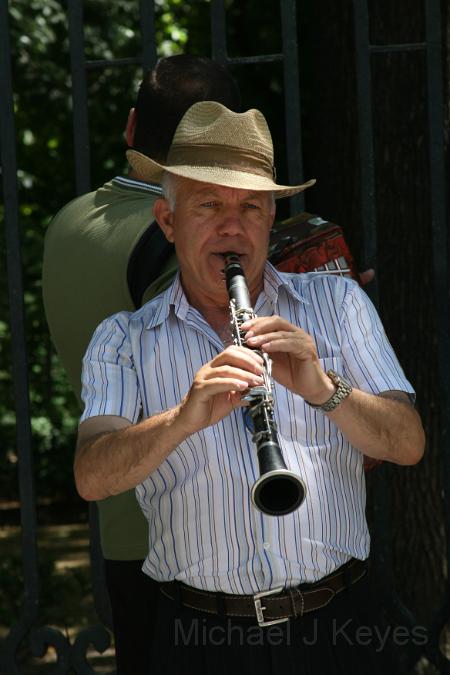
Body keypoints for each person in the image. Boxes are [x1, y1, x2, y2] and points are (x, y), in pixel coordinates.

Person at [74, 101, 425, 674]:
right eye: (209, 204)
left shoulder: (337, 305)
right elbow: (91, 476)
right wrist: (182, 418)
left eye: (252, 208)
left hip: (341, 625)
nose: (232, 226)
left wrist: (324, 389)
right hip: (200, 640)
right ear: (168, 221)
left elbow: (408, 444)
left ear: (269, 220)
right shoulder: (122, 340)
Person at [42, 56, 241, 675]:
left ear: (131, 128)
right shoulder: (173, 237)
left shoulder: (65, 224)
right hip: (203, 539)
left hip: (122, 531)